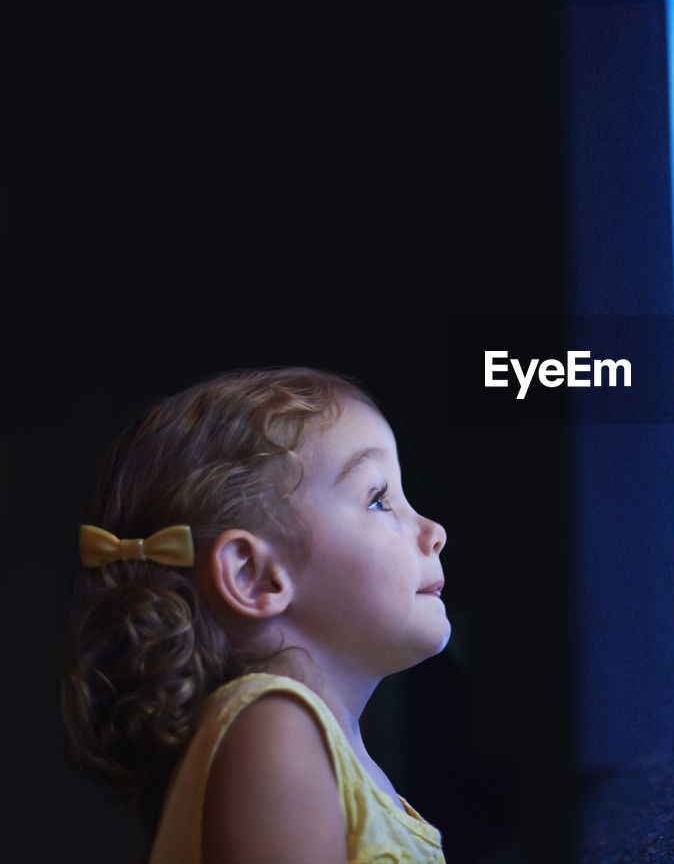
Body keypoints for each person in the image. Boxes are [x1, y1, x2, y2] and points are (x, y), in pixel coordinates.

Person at [61, 367, 450, 863]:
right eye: (379, 499)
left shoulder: (311, 743)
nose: (433, 530)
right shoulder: (274, 728)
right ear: (253, 575)